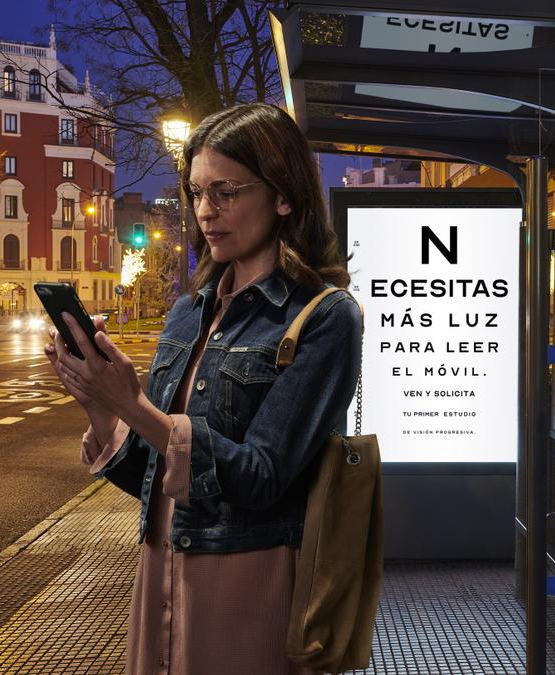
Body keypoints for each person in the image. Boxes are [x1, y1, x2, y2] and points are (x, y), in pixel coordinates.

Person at [45, 102, 363, 674]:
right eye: (196, 193)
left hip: (249, 580)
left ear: (283, 195)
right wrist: (98, 407)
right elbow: (157, 476)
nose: (205, 213)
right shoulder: (188, 312)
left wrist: (132, 404)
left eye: (226, 192)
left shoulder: (326, 317)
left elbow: (262, 476)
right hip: (159, 569)